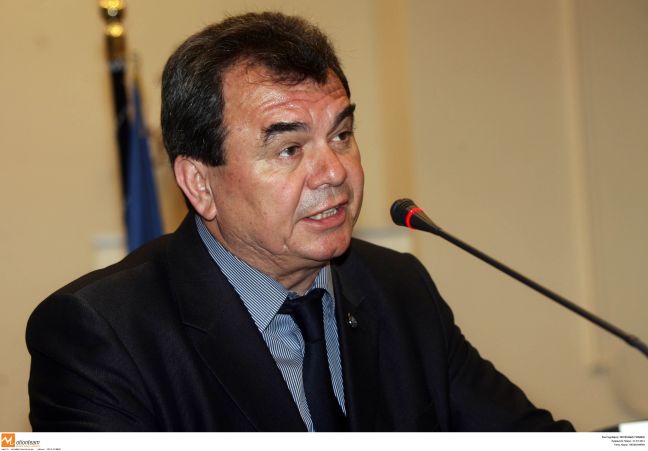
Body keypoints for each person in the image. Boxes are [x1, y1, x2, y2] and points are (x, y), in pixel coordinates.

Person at [26, 12, 574, 432]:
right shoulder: (100, 335)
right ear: (199, 183)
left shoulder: (398, 289)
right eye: (289, 148)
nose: (334, 171)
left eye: (341, 134)